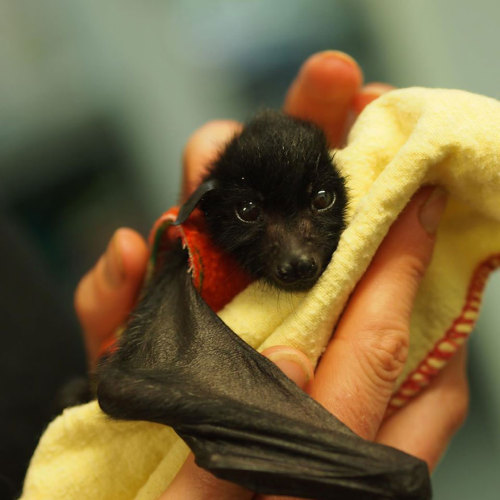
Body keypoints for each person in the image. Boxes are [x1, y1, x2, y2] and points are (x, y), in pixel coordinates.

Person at [75, 51, 468, 500]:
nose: (297, 251)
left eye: (319, 201)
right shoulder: (193, 263)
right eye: (249, 213)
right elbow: (130, 377)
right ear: (209, 207)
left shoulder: (362, 223)